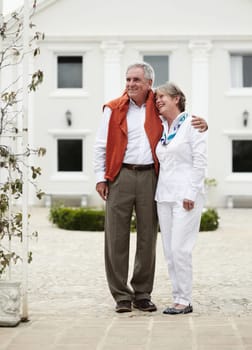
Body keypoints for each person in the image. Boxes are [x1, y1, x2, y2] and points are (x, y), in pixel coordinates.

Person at [94, 62, 208, 313]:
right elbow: (100, 146)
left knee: (148, 237)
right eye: (128, 80)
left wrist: (202, 123)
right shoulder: (113, 109)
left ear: (149, 84)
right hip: (120, 175)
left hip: (150, 178)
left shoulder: (156, 108)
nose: (131, 84)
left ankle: (142, 293)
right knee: (115, 238)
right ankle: (121, 296)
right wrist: (100, 178)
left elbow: (179, 122)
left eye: (136, 80)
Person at [154, 82, 207, 315]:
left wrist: (191, 192)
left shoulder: (192, 124)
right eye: (156, 98)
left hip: (185, 196)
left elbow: (200, 161)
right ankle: (177, 297)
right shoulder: (163, 126)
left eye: (162, 96)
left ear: (177, 99)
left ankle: (185, 300)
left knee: (180, 249)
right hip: (163, 195)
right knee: (168, 250)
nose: (158, 101)